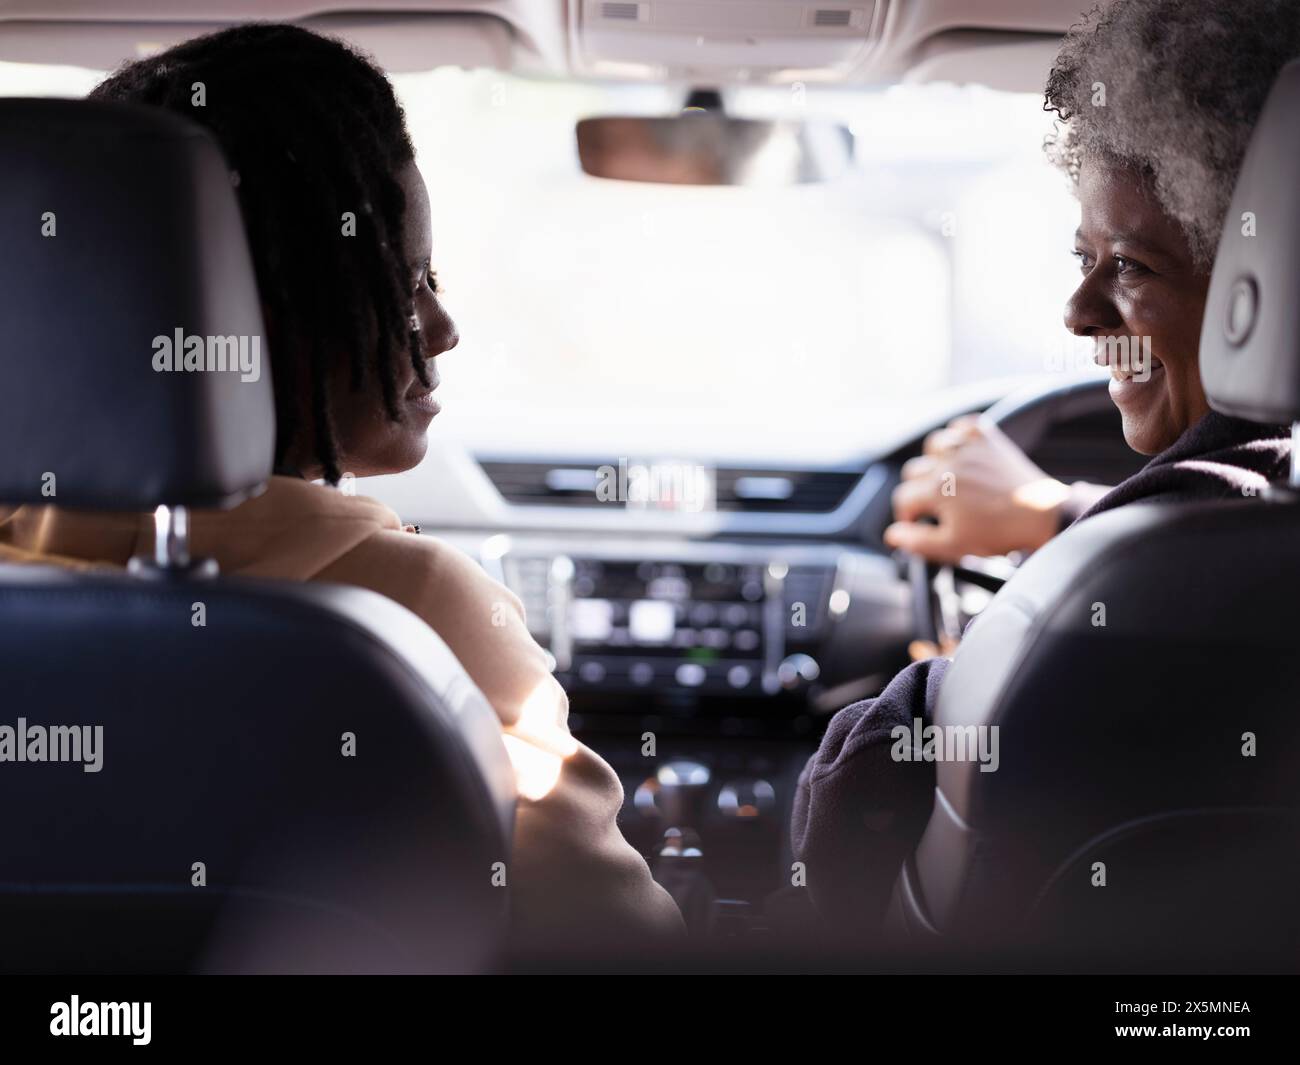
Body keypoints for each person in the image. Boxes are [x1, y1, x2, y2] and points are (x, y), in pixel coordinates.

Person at [0, 24, 682, 950]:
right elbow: (614, 946)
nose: (441, 328)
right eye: (399, 282)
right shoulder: (412, 611)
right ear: (257, 312)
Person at [792, 0, 1300, 937]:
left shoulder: (1100, 608)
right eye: (1083, 255)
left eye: (1132, 266)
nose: (1077, 311)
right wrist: (1059, 519)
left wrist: (978, 653)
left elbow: (841, 834)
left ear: (1255, 291)